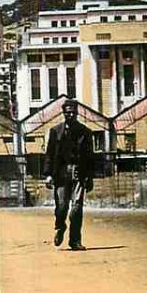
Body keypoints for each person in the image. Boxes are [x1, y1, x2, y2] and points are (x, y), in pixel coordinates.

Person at [43, 98, 94, 250]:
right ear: (63, 113)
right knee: (62, 207)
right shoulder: (55, 131)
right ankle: (60, 227)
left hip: (79, 172)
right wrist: (48, 174)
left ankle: (75, 241)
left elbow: (90, 156)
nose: (70, 115)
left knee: (77, 208)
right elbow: (49, 155)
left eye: (73, 112)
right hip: (61, 173)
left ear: (77, 113)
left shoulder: (85, 132)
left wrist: (89, 177)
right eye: (67, 112)